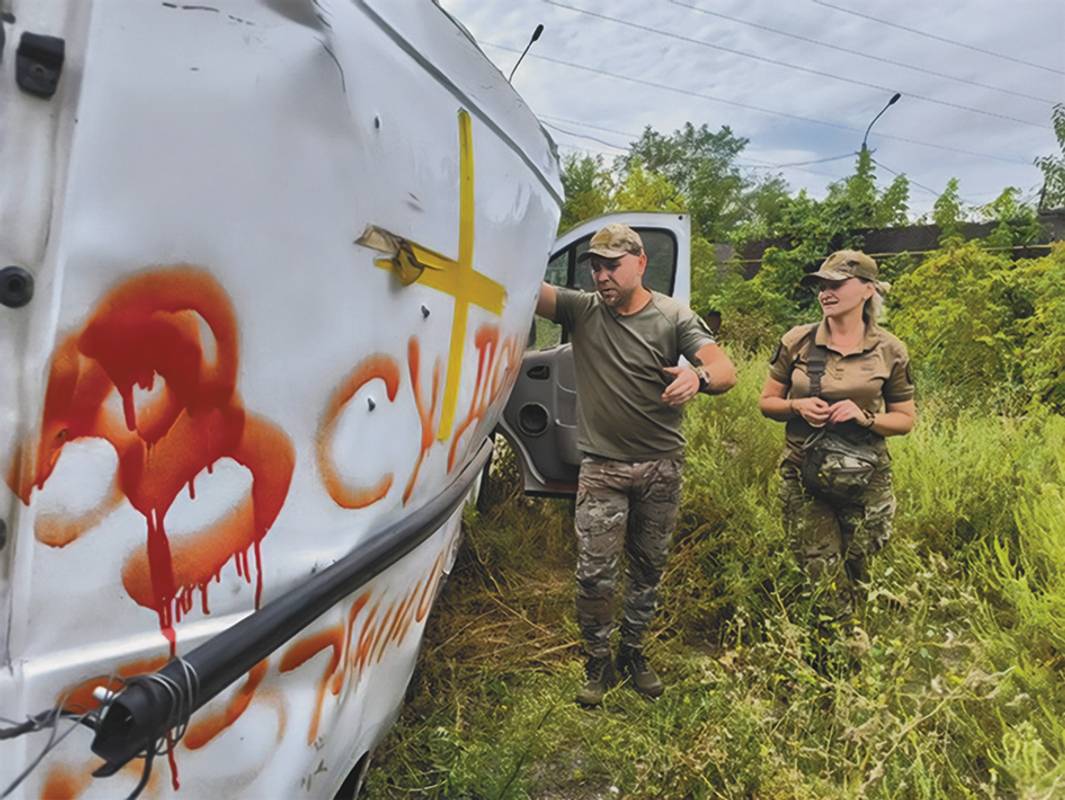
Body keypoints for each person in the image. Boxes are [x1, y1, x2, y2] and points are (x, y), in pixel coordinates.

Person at [535, 223, 736, 706]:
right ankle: (597, 661)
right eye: (595, 266)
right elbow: (521, 288)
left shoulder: (671, 316)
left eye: (612, 265)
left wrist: (698, 378)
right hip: (602, 468)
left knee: (647, 569)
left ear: (640, 263)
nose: (601, 276)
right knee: (594, 573)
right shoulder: (581, 310)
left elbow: (725, 368)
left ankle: (633, 651)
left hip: (660, 467)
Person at [758, 250, 915, 657]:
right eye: (821, 285)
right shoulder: (798, 340)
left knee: (859, 568)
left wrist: (865, 418)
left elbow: (904, 419)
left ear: (866, 289)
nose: (825, 293)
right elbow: (766, 403)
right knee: (822, 575)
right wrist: (797, 406)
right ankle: (838, 662)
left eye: (836, 284)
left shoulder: (890, 350)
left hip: (866, 478)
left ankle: (850, 648)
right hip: (805, 474)